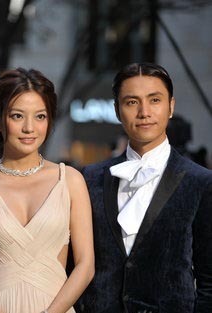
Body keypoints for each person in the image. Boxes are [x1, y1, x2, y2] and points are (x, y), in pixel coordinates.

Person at [76, 63, 212, 313]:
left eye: (155, 100)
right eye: (131, 102)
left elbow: (209, 281)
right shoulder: (89, 178)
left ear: (171, 106)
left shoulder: (201, 182)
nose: (144, 112)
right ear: (117, 110)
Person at [0, 68, 94, 313]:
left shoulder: (70, 181)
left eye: (40, 117)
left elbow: (85, 265)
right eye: (18, 116)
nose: (29, 128)